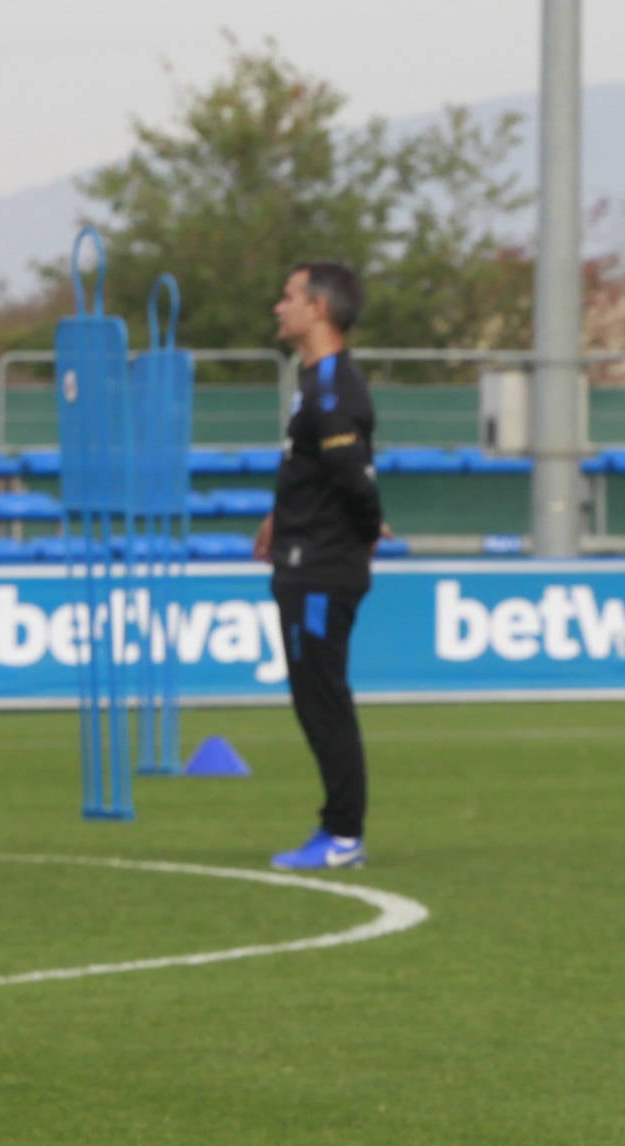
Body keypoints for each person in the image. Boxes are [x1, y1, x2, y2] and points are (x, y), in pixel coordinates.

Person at [253, 260, 390, 871]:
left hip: (321, 570)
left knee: (323, 699)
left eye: (287, 296)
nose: (278, 307)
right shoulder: (314, 381)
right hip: (304, 558)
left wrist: (363, 535)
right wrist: (277, 520)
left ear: (319, 310)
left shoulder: (333, 387)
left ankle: (342, 835)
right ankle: (339, 831)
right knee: (314, 697)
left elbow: (354, 480)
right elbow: (317, 472)